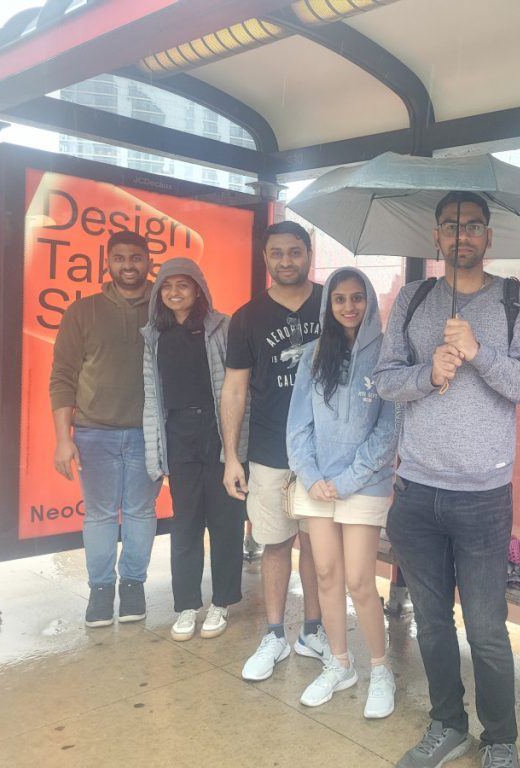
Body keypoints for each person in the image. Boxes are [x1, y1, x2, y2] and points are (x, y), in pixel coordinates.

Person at [373, 192, 520, 768]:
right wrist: (428, 373)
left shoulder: (517, 301)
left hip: (482, 498)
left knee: (486, 630)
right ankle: (447, 724)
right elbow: (384, 381)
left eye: (473, 226)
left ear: (488, 237)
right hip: (416, 492)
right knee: (431, 625)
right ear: (436, 237)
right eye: (451, 227)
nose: (462, 236)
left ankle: (500, 739)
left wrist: (479, 353)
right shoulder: (413, 299)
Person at [287, 267, 399, 718]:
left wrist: (347, 480)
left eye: (357, 298)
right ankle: (339, 663)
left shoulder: (389, 355)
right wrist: (311, 475)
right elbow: (298, 425)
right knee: (326, 573)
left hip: (365, 484)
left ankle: (381, 669)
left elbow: (389, 432)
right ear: (328, 305)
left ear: (369, 301)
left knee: (359, 580)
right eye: (339, 299)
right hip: (317, 483)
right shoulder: (314, 354)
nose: (349, 306)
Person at [220, 221, 329, 681]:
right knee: (275, 542)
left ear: (309, 254)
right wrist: (231, 455)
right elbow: (234, 389)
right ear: (265, 257)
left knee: (318, 546)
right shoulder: (247, 318)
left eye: (295, 251)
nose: (287, 261)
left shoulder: (333, 303)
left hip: (325, 454)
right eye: (277, 253)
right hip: (269, 452)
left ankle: (313, 631)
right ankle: (273, 635)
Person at [50, 230, 163, 627]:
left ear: (148, 262)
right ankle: (100, 590)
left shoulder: (164, 309)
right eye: (120, 258)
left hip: (148, 434)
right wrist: (63, 438)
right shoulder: (83, 312)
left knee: (140, 512)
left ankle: (133, 585)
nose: (128, 265)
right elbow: (62, 376)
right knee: (99, 515)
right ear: (108, 263)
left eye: (136, 258)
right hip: (93, 433)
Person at [142, 258, 247, 642]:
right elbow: (151, 395)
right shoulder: (154, 335)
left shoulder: (221, 326)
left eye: (183, 285)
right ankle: (187, 605)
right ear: (159, 293)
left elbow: (239, 387)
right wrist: (155, 449)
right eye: (167, 287)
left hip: (219, 432)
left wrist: (238, 446)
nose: (174, 293)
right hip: (178, 432)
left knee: (226, 520)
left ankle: (222, 601)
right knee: (184, 522)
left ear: (198, 289)